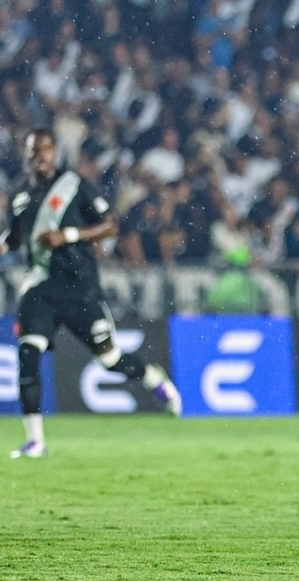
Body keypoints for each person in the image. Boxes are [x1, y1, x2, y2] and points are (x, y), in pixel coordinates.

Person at [3, 130, 182, 459]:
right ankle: (35, 441)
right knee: (28, 355)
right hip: (40, 287)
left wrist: (68, 235)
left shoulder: (73, 184)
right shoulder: (19, 194)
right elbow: (14, 239)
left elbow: (111, 225)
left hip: (80, 288)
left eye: (46, 149)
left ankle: (153, 377)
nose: (41, 156)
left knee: (110, 359)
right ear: (25, 154)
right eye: (34, 150)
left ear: (56, 151)